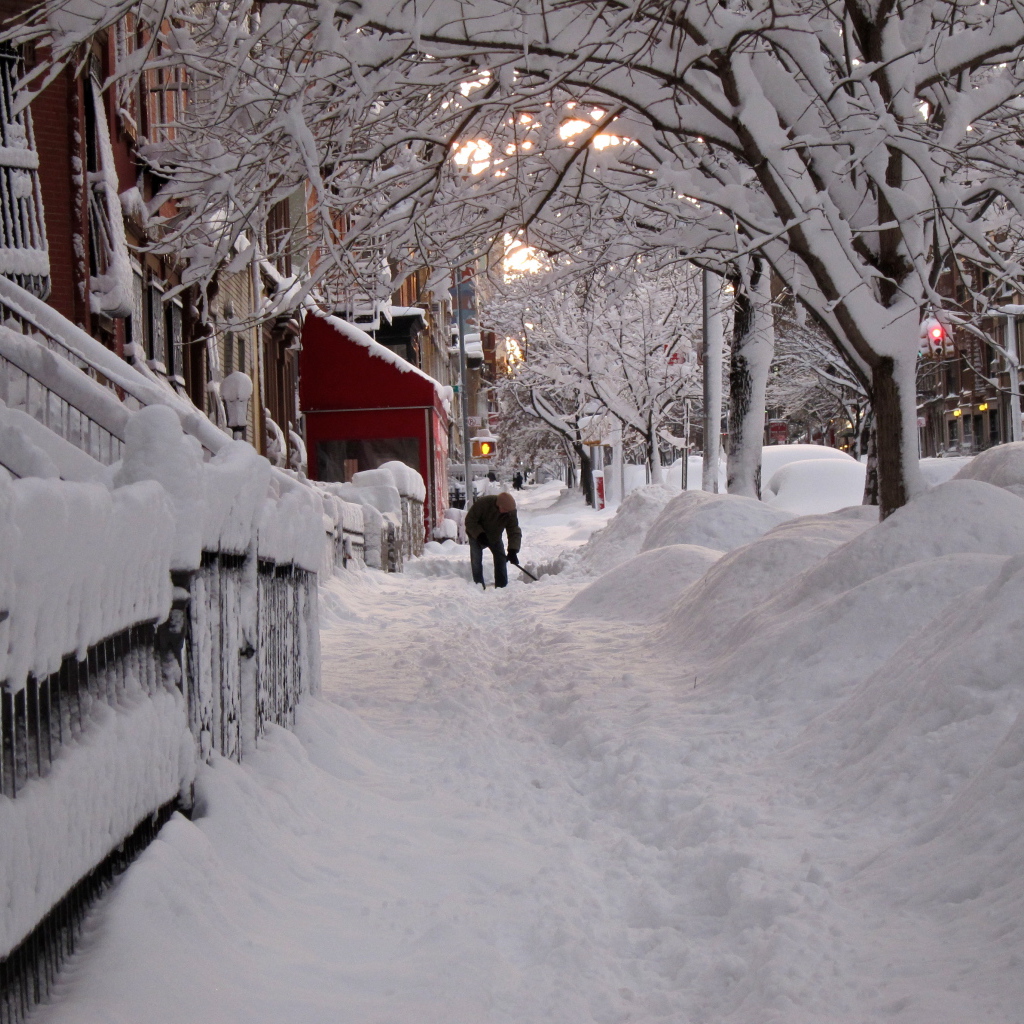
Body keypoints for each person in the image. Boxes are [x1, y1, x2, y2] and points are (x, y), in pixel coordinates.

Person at [465, 491, 522, 589]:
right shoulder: (483, 503)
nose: (507, 512)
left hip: (495, 537)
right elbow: (470, 520)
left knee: (501, 560)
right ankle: (478, 586)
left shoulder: (510, 511)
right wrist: (479, 535)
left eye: (508, 511)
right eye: (504, 509)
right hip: (477, 537)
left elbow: (514, 530)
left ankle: (502, 587)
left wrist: (513, 550)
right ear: (498, 505)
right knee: (476, 562)